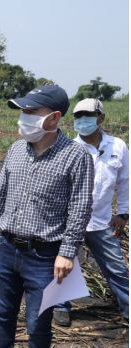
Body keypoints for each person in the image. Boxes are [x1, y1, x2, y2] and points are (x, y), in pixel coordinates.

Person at [0, 84, 94, 348]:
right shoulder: (16, 149)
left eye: (31, 112)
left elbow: (80, 208)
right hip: (8, 248)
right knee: (3, 314)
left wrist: (68, 253)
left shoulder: (75, 157)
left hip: (45, 255)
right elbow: (0, 192)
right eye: (22, 112)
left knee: (38, 322)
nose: (23, 119)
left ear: (54, 118)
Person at [51, 98, 129, 327]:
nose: (82, 120)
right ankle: (60, 307)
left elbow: (126, 182)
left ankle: (128, 305)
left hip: (101, 220)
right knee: (64, 263)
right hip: (69, 220)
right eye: (78, 116)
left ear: (101, 118)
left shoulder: (117, 146)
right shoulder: (67, 148)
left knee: (116, 266)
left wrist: (124, 213)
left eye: (87, 115)